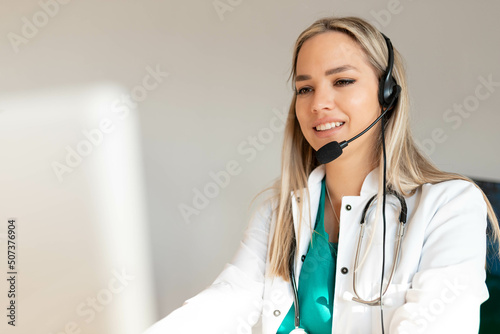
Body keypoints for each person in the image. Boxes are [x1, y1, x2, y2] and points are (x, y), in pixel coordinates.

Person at [143, 16, 500, 334]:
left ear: (387, 95)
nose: (318, 104)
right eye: (305, 88)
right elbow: (227, 301)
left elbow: (438, 324)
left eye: (342, 81)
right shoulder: (279, 212)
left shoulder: (450, 204)